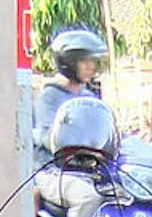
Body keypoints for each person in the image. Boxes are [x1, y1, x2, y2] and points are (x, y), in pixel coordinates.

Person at [33, 27, 108, 167]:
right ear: (68, 63)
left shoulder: (89, 98)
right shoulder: (50, 96)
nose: (91, 67)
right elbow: (45, 135)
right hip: (55, 170)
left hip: (88, 167)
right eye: (84, 61)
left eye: (93, 61)